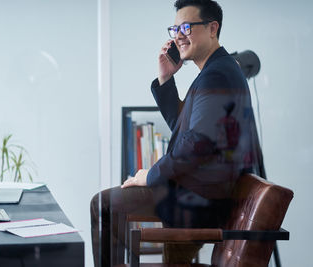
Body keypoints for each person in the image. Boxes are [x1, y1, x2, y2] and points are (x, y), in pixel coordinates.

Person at [90, 0, 264, 266]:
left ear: (212, 28)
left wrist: (151, 175)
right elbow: (185, 131)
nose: (179, 35)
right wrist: (166, 78)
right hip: (199, 193)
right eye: (175, 28)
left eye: (187, 27)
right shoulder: (217, 71)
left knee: (103, 205)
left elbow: (196, 144)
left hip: (198, 199)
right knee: (108, 204)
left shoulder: (216, 75)